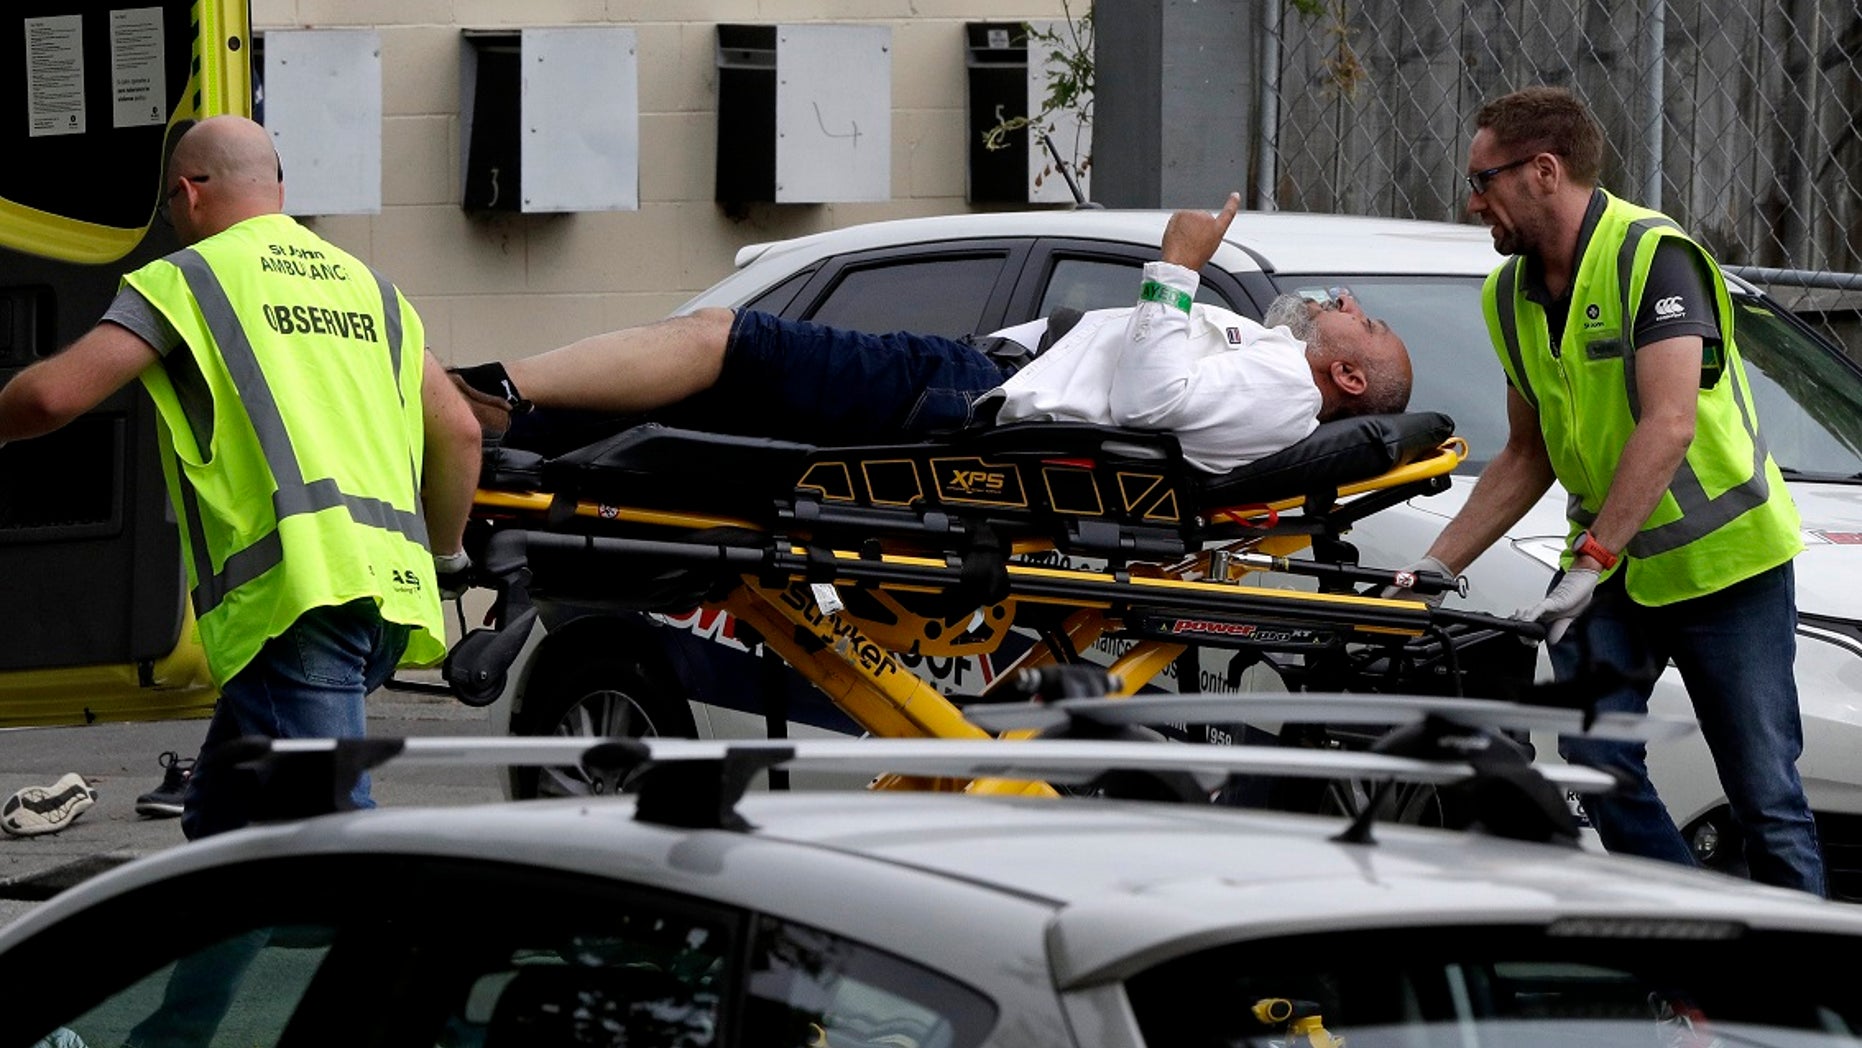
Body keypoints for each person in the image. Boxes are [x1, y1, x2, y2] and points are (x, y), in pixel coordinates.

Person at [1385, 87, 1823, 895]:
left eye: (1483, 182)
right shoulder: (1508, 294)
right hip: (1614, 569)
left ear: (1543, 172)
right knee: (1594, 756)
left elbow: (1669, 426)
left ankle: (1816, 1005)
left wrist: (1587, 563)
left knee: (1766, 795)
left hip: (1725, 567)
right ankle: (1697, 940)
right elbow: (1527, 454)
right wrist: (1434, 567)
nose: (1472, 202)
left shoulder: (1652, 257)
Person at [0, 115, 483, 843]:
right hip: (387, 602)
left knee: (337, 844)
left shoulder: (189, 278)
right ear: (277, 189)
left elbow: (49, 398)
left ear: (189, 194)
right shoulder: (371, 287)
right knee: (222, 834)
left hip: (294, 607)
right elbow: (460, 432)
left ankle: (406, 959)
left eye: (168, 203)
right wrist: (444, 558)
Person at [451, 193, 1414, 474]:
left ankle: (485, 390)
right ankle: (502, 432)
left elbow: (1151, 401)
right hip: (979, 379)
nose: (1337, 299)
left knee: (720, 337)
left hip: (972, 396)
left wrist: (1174, 264)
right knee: (705, 401)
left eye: (1356, 317)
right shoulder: (1273, 363)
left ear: (1351, 379)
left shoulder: (1288, 386)